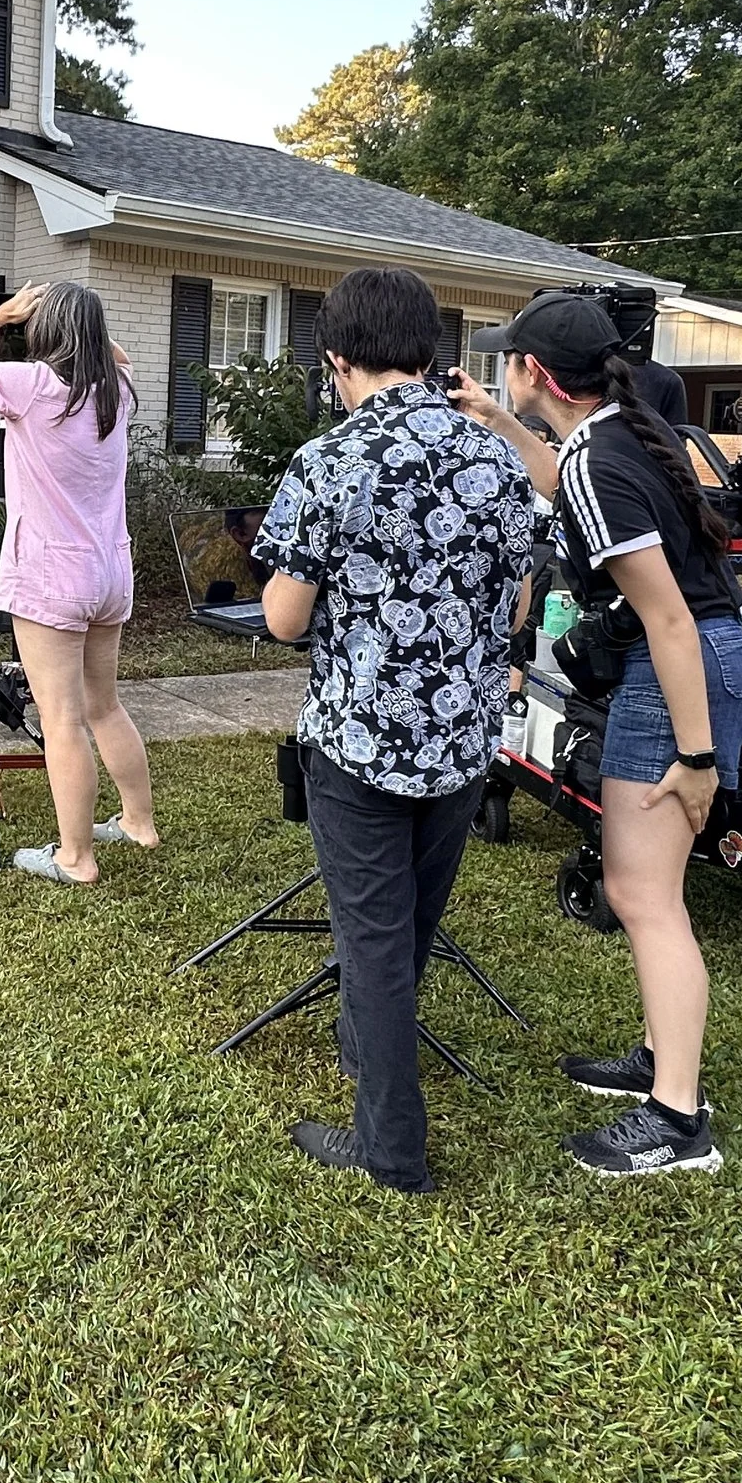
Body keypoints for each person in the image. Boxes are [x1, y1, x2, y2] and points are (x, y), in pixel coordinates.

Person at [464, 290, 742, 1178]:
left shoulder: (601, 457)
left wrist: (697, 757)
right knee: (650, 887)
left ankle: (677, 1118)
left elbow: (668, 619)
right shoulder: (615, 431)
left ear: (533, 371)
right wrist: (496, 421)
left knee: (643, 893)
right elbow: (565, 483)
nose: (500, 373)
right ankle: (659, 1058)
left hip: (681, 669)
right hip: (696, 658)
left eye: (506, 363)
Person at [253, 267, 537, 1193]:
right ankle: (363, 1044)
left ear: (337, 358)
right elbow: (518, 602)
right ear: (427, 349)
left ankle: (390, 1146)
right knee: (409, 922)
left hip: (361, 738)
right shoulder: (498, 457)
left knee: (372, 939)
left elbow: (284, 619)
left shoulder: (329, 460)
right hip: (464, 738)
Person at [0, 280, 158, 883]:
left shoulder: (32, 386)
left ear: (44, 333)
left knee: (62, 719)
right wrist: (82, 321)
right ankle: (138, 822)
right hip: (109, 571)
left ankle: (75, 857)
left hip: (52, 575)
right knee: (104, 705)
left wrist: (0, 317)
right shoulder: (118, 390)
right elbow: (116, 355)